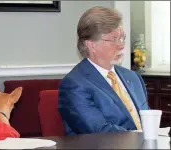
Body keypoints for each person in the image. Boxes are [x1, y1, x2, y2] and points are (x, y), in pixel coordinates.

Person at [58, 6, 149, 135]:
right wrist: (141, 138)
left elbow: (149, 121)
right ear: (92, 45)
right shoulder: (74, 85)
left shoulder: (133, 77)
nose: (121, 45)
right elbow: (100, 132)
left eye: (122, 38)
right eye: (113, 39)